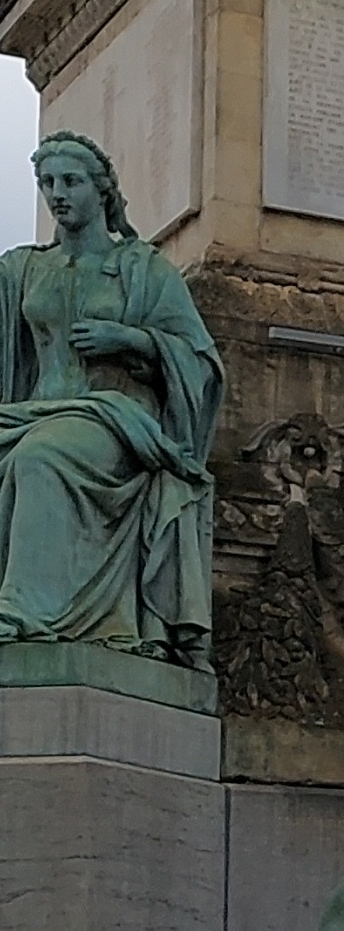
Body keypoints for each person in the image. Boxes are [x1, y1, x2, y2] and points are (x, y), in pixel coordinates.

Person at [0, 136, 223, 666]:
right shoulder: (24, 269)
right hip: (33, 412)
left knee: (42, 457)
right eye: (47, 183)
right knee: (36, 445)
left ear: (103, 192)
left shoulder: (144, 269)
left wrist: (133, 341)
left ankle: (25, 613)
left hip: (114, 419)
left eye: (70, 182)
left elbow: (202, 363)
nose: (57, 194)